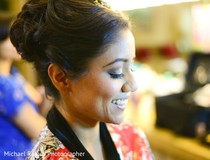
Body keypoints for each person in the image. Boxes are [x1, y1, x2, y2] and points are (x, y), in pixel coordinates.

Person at [10, 0, 154, 159]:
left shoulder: (131, 137)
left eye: (131, 66)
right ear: (61, 78)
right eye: (116, 71)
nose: (133, 85)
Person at [0, 16, 46, 159]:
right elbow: (39, 131)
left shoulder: (13, 75)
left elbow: (38, 100)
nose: (18, 41)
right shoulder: (3, 86)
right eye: (11, 37)